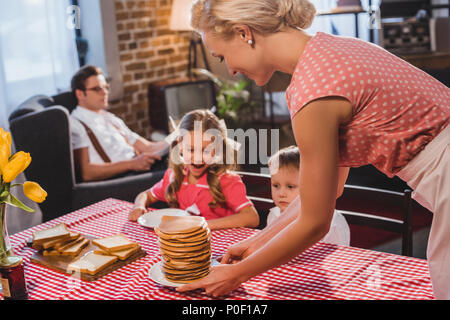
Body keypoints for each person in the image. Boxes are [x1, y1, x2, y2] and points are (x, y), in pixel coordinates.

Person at [177, 0, 449, 298]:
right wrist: (259, 241)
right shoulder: (334, 50)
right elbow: (324, 190)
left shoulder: (313, 91)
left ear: (244, 33)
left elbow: (316, 222)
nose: (229, 69)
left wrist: (235, 275)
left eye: (222, 56)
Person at [128, 109, 260, 230]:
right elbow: (145, 195)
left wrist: (202, 225)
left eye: (206, 150)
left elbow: (252, 217)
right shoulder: (174, 176)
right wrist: (138, 206)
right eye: (191, 149)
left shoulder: (226, 180)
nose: (197, 158)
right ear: (180, 145)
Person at [70, 65, 169, 182]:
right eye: (97, 89)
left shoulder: (110, 118)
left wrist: (176, 140)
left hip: (138, 169)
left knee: (183, 162)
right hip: (118, 180)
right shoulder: (75, 123)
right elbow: (86, 173)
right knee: (175, 176)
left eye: (106, 87)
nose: (105, 92)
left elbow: (147, 147)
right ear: (80, 94)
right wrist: (131, 164)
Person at [267, 146, 350, 246]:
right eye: (276, 185)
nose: (281, 193)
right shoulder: (274, 215)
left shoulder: (332, 223)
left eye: (290, 186)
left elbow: (336, 258)